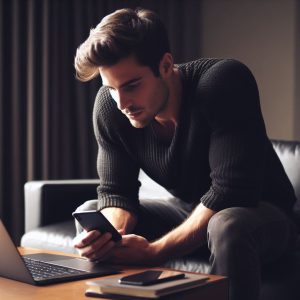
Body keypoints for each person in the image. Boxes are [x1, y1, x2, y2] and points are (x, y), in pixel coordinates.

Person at [73, 7, 297, 300]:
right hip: (190, 210)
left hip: (261, 216)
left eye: (132, 85)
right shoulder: (109, 107)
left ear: (166, 65)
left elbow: (230, 193)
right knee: (94, 213)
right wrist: (112, 237)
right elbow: (117, 193)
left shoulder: (223, 81)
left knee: (226, 225)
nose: (121, 102)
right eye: (112, 89)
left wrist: (156, 251)